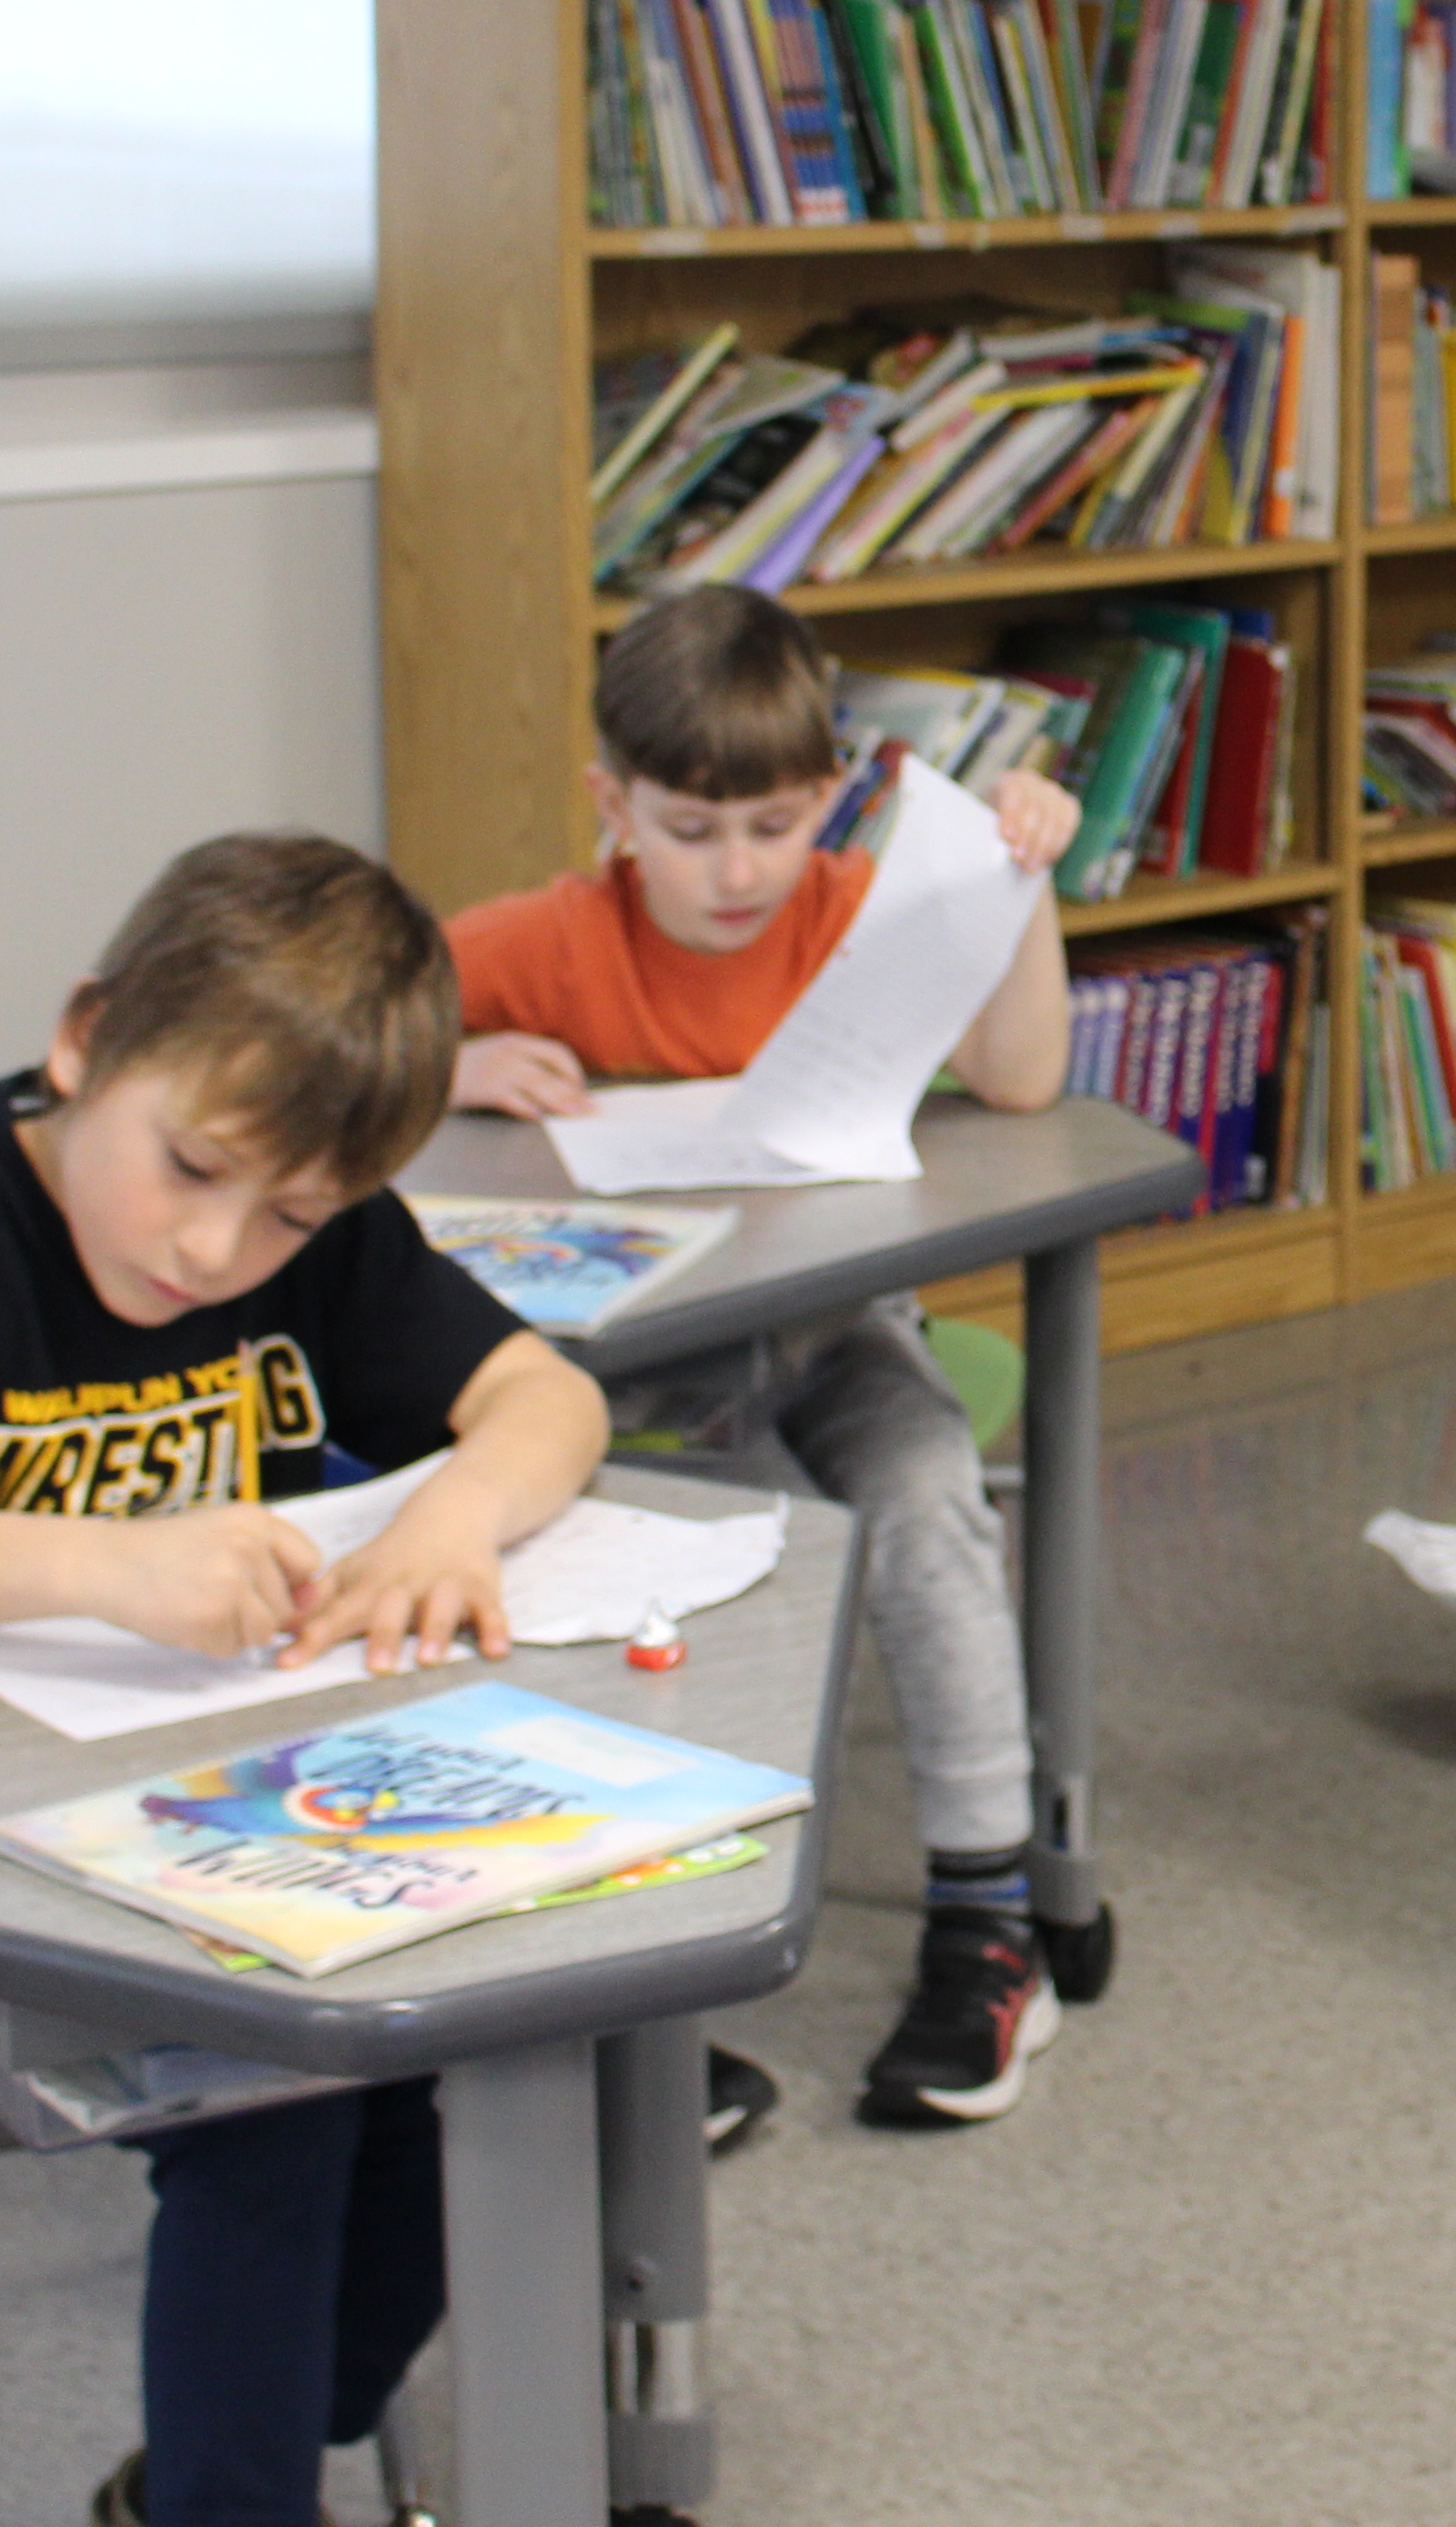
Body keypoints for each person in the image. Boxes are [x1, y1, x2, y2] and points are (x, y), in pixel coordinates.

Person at [0, 831, 612, 2527]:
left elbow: (545, 1398)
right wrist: (101, 1564)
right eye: (190, 1168)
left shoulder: (321, 1243)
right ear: (83, 1042)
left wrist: (456, 1522)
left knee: (468, 2056)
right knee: (269, 2104)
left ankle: (263, 2441)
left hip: (205, 1827)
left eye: (285, 1215)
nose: (215, 1252)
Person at [442, 584, 1078, 2134]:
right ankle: (649, 1978)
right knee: (675, 1566)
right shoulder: (545, 936)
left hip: (836, 1332)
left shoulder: (864, 907)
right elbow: (343, 1051)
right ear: (614, 806)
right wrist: (451, 1063)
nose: (733, 873)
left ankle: (989, 1919)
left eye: (774, 826)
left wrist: (1020, 884)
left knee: (928, 1502)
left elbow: (1022, 1078)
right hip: (639, 1378)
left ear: (831, 802)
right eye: (689, 828)